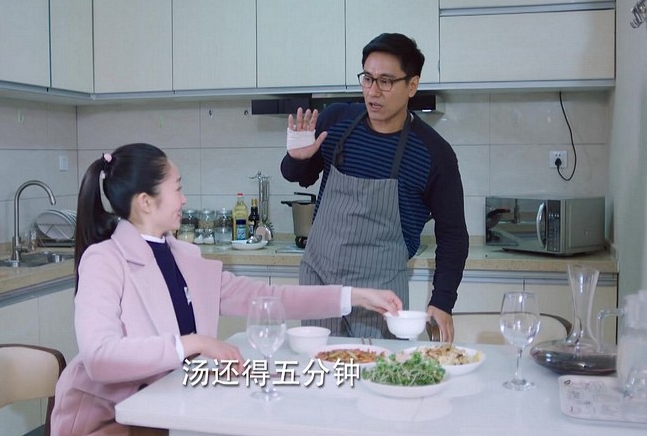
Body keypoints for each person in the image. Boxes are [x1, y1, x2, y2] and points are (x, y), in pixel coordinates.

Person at [51, 143, 402, 436]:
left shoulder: (183, 257)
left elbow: (267, 298)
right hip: (112, 421)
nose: (184, 199)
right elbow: (100, 358)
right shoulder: (104, 260)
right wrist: (195, 343)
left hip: (172, 408)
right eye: (177, 189)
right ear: (146, 201)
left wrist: (354, 296)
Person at [280, 32, 469, 341]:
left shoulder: (435, 154)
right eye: (367, 79)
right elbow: (297, 175)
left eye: (386, 81)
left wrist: (443, 301)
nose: (373, 91)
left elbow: (453, 235)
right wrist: (296, 158)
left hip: (382, 294)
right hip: (321, 282)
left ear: (412, 85)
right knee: (322, 366)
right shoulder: (336, 121)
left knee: (377, 367)